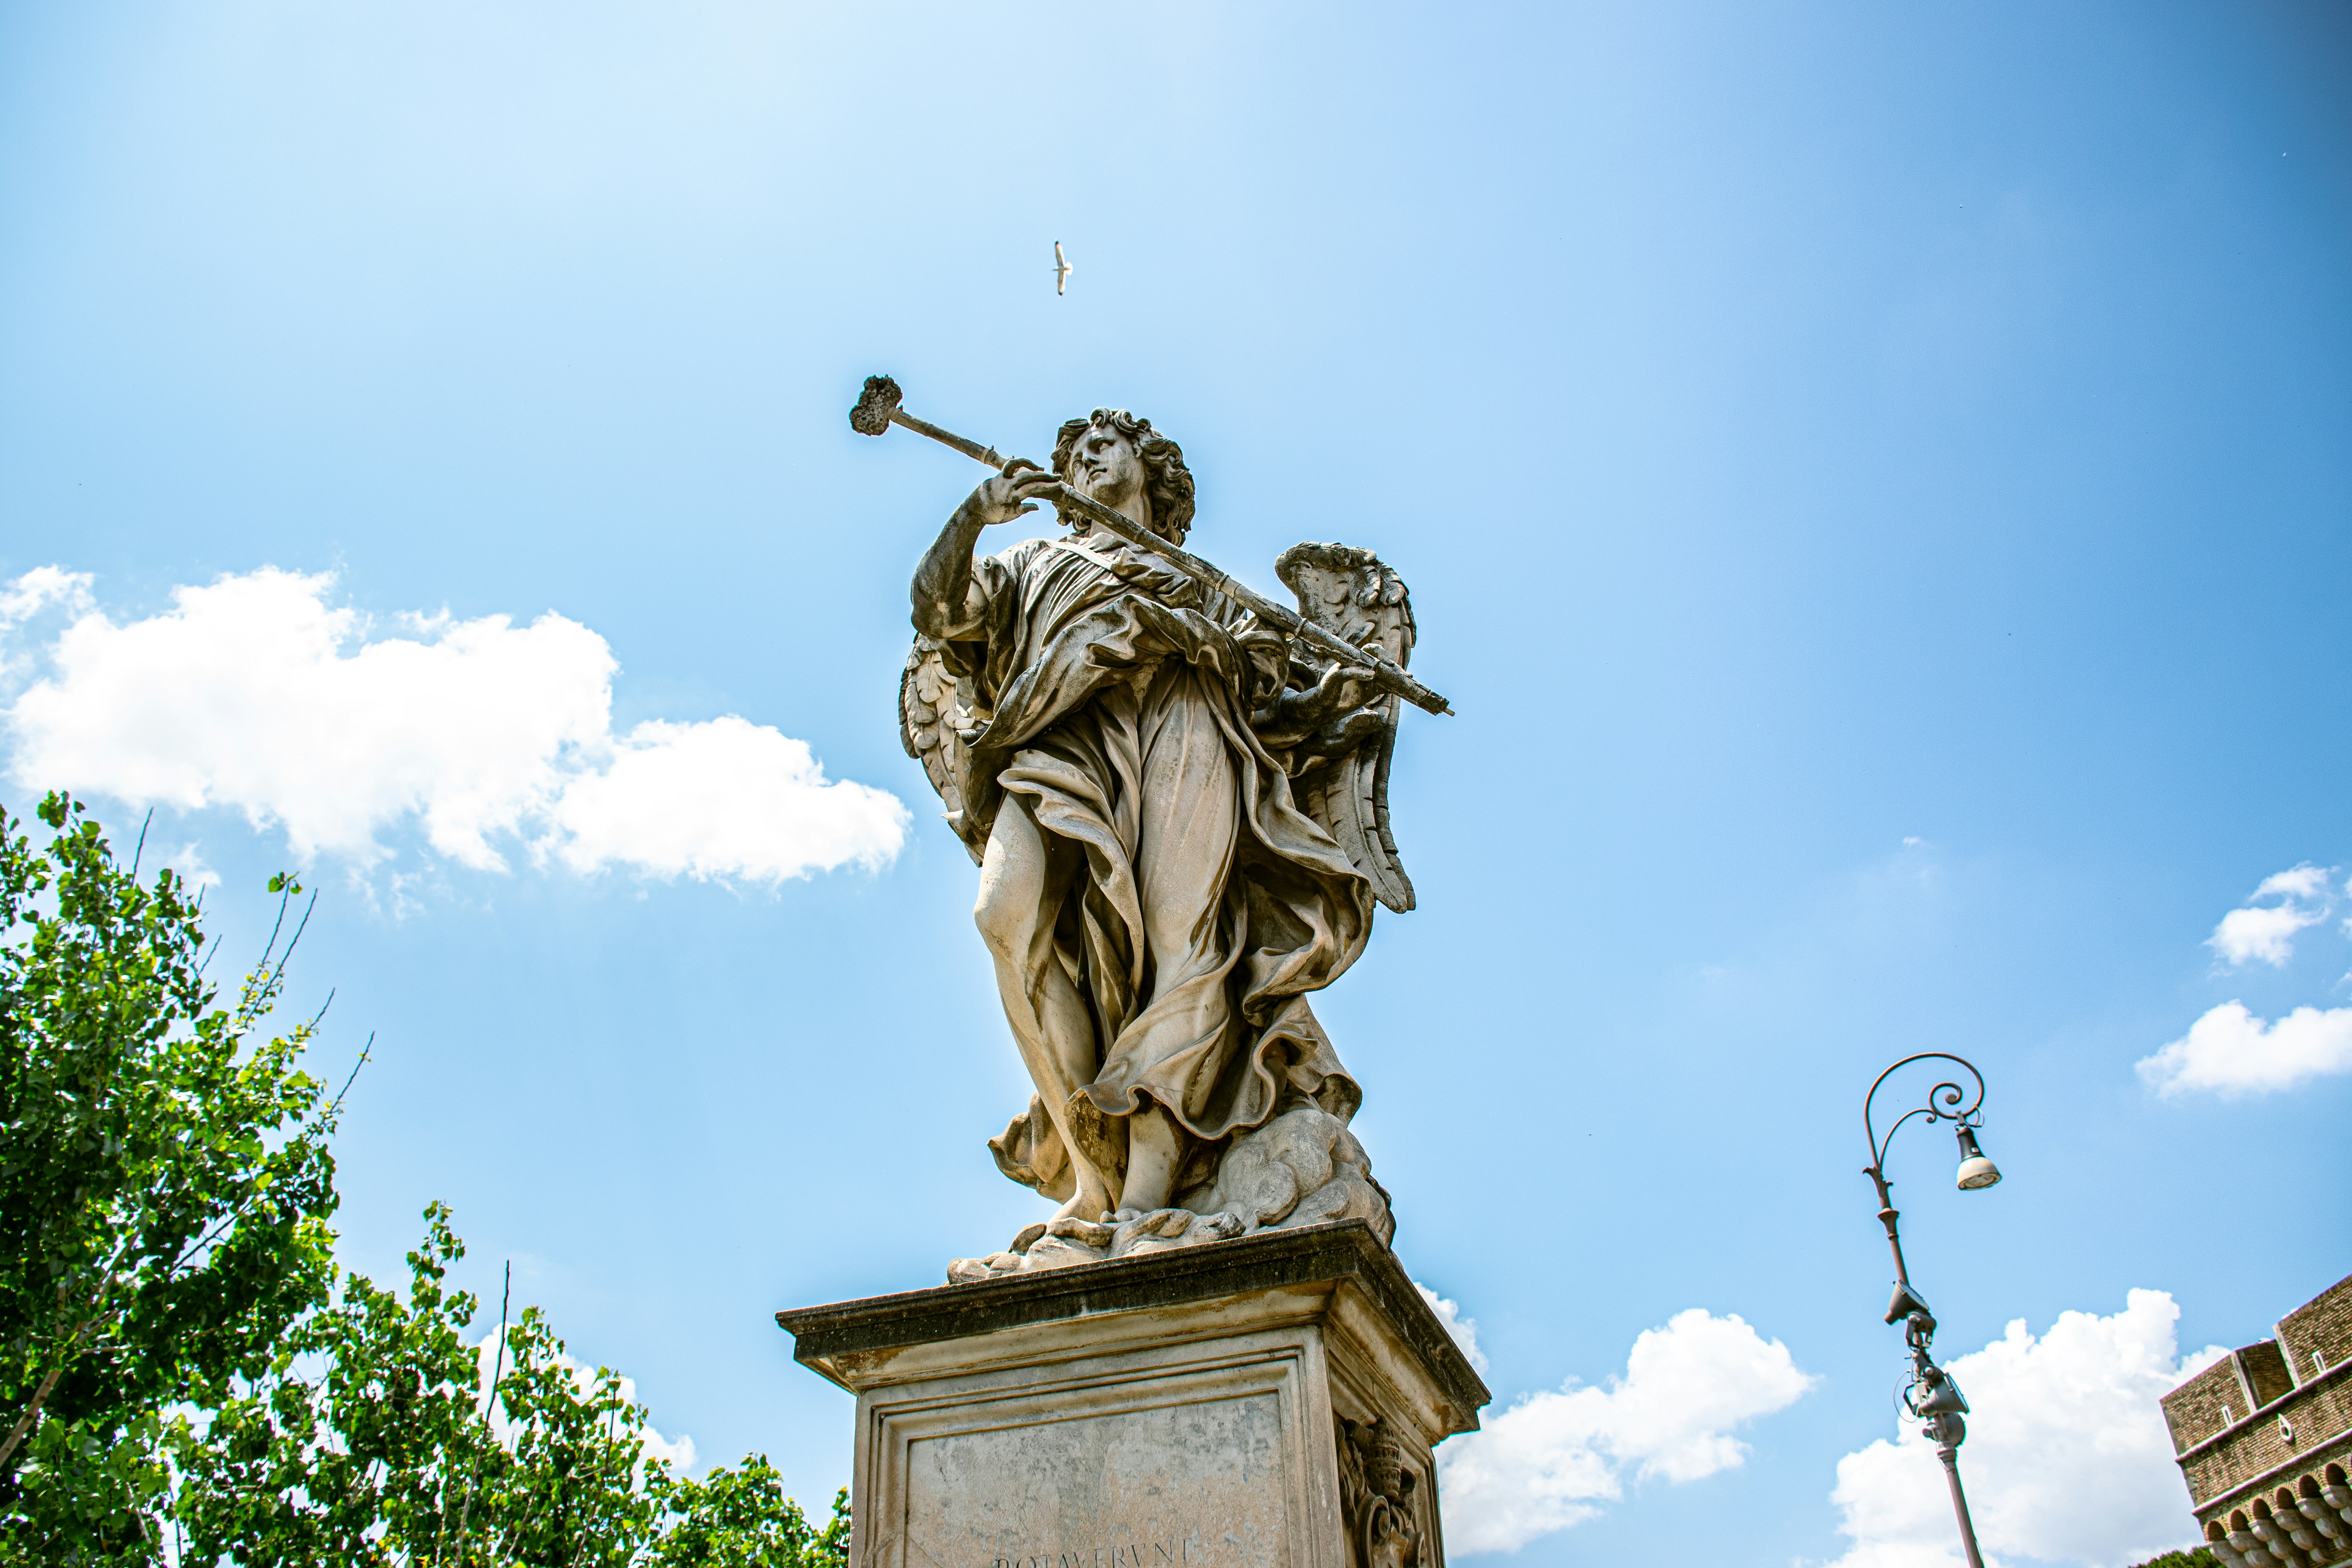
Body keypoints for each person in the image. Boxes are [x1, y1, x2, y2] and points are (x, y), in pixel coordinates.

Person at [909, 408, 1381, 1223]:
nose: (1088, 455)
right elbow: (942, 614)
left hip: (1183, 718)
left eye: (1106, 444)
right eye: (1076, 451)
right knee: (1005, 915)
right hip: (1056, 739)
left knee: (1180, 941)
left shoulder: (1196, 578)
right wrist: (972, 517)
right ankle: (1094, 1168)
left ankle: (1150, 1186)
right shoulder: (1031, 562)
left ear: (1150, 468)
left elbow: (1264, 678)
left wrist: (1316, 685)